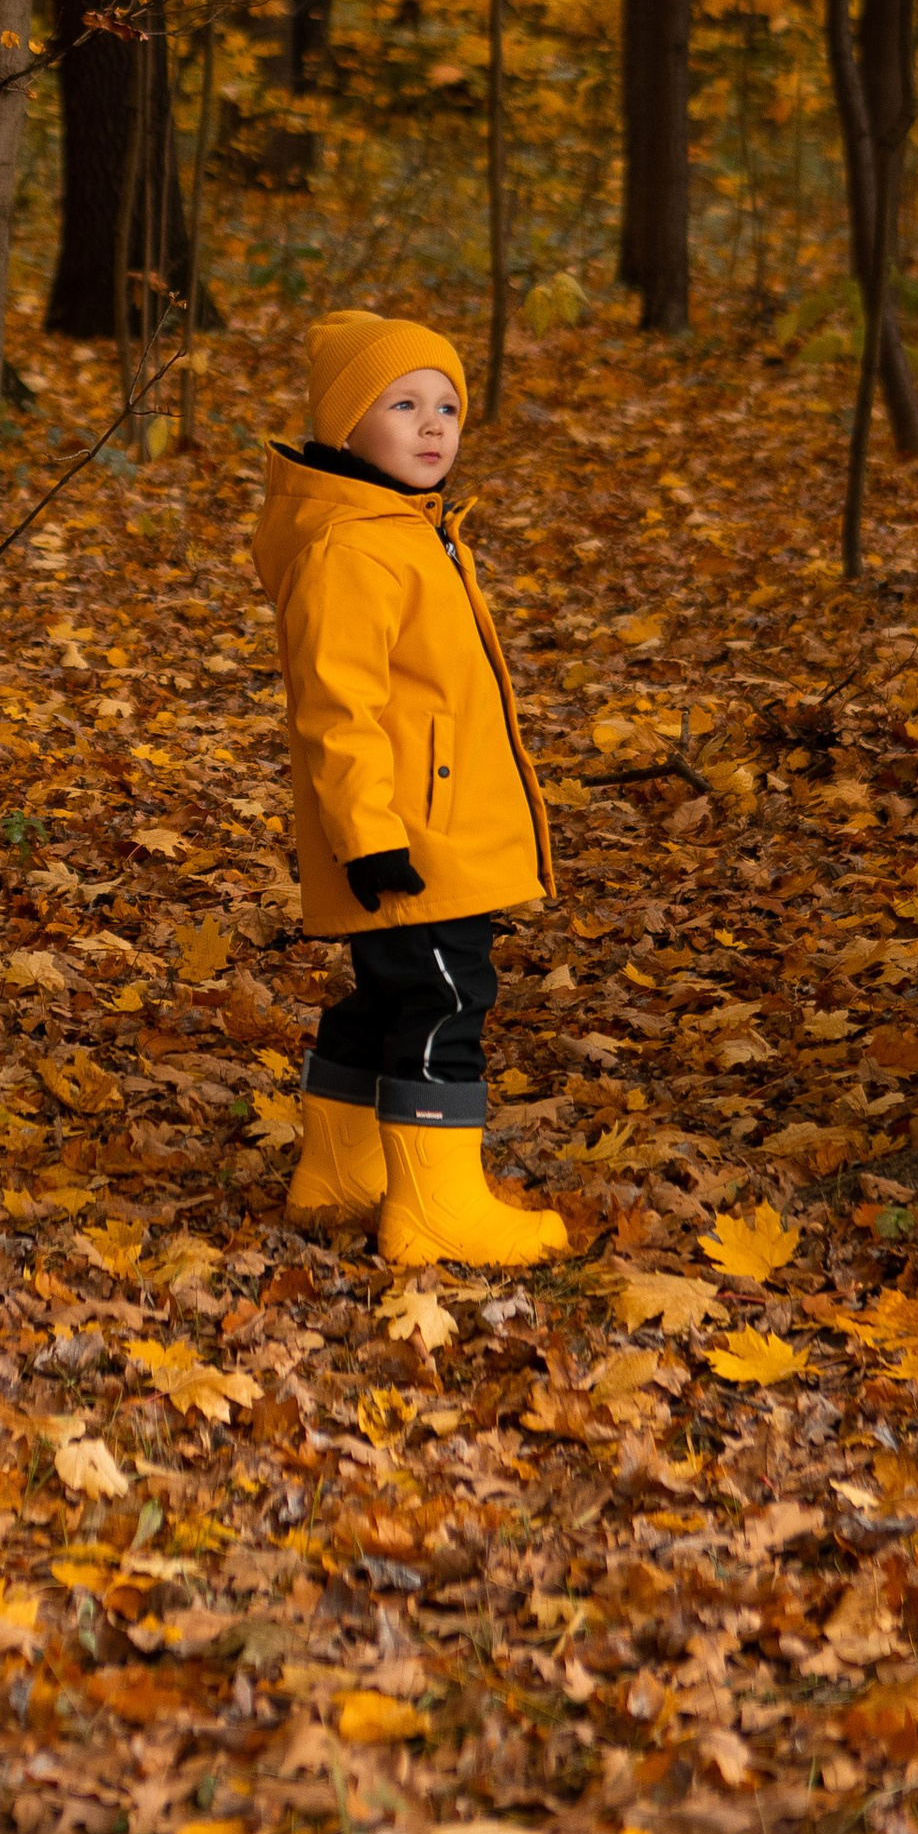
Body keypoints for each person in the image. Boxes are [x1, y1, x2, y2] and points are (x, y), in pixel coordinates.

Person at [252, 308, 567, 1269]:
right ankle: (436, 1208)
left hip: (433, 820)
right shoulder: (353, 547)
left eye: (448, 408)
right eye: (402, 405)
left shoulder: (408, 531)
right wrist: (369, 836)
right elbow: (334, 709)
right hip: (407, 836)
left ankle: (340, 1172)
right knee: (443, 998)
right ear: (346, 427)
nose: (433, 426)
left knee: (388, 996)